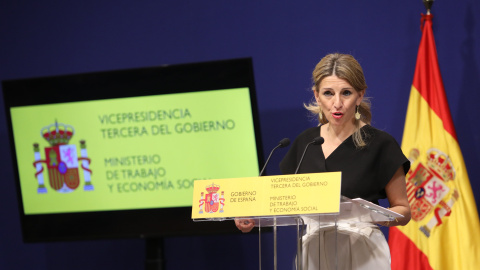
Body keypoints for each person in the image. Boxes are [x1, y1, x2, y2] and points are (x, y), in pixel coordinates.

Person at [236, 53, 411, 269]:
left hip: (362, 251)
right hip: (313, 252)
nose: (337, 103)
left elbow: (403, 210)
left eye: (346, 93)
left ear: (359, 95)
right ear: (317, 96)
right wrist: (253, 216)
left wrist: (374, 216)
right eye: (328, 93)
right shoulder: (306, 143)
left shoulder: (381, 144)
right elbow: (286, 203)